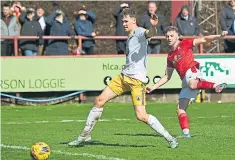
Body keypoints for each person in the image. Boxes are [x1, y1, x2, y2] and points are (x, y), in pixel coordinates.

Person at [68, 8, 179, 149]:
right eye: (122, 21)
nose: (124, 24)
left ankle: (170, 138)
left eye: (126, 21)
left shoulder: (139, 32)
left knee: (141, 116)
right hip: (123, 77)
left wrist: (153, 26)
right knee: (99, 100)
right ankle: (85, 135)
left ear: (134, 20)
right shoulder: (130, 35)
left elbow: (149, 33)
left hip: (136, 82)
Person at [147, 26, 228, 138]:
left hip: (192, 72)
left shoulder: (185, 43)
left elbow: (204, 39)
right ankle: (186, 134)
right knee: (180, 109)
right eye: (167, 36)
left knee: (192, 83)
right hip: (185, 82)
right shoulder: (170, 56)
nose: (169, 38)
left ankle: (215, 85)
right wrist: (153, 87)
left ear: (177, 36)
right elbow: (167, 76)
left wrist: (219, 36)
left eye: (171, 35)